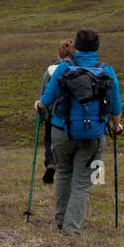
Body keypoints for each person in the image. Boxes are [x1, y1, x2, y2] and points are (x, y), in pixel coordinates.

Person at [35, 27, 123, 236]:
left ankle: (61, 222)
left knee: (64, 173)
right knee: (82, 183)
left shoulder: (64, 67)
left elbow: (47, 99)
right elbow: (115, 106)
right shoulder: (107, 71)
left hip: (62, 131)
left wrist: (38, 105)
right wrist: (115, 126)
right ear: (97, 47)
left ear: (76, 45)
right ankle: (71, 229)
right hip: (93, 133)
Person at [40, 39, 76, 184]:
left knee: (49, 140)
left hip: (51, 113)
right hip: (72, 114)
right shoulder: (79, 69)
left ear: (59, 55)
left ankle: (50, 163)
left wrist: (40, 114)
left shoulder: (50, 70)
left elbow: (44, 92)